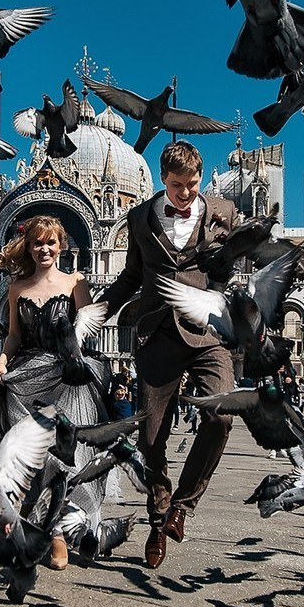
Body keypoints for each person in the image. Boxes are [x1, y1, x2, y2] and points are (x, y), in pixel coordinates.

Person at [99, 140, 244, 570]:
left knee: (221, 415)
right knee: (149, 439)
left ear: (201, 177)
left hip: (207, 333)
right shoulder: (139, 217)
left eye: (192, 184)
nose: (185, 193)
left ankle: (183, 504)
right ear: (162, 178)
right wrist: (95, 313)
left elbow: (250, 250)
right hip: (158, 334)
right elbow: (131, 277)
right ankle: (159, 519)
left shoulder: (224, 211)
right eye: (177, 185)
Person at [0, 215, 107, 571]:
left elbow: (86, 331)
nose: (44, 249)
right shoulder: (17, 287)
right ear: (29, 247)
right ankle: (38, 525)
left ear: (62, 246)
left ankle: (57, 531)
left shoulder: (76, 282)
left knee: (62, 454)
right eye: (37, 243)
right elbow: (13, 335)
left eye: (51, 242)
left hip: (64, 377)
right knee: (29, 455)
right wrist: (1, 363)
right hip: (26, 376)